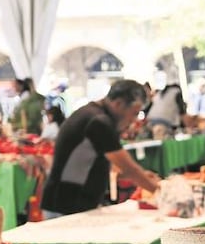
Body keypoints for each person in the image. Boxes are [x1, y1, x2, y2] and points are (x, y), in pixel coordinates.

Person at [41, 79, 161, 216]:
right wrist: (162, 193)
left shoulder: (92, 114)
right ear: (118, 104)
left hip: (69, 204)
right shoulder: (98, 121)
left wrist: (142, 176)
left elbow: (105, 167)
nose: (133, 120)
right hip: (66, 207)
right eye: (134, 113)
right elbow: (128, 168)